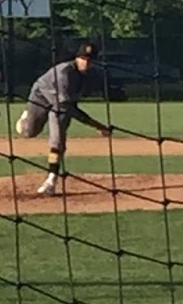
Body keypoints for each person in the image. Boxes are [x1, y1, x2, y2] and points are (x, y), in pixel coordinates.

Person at [15, 42, 112, 195]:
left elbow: (68, 106)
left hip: (61, 106)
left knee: (57, 140)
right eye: (83, 58)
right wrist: (97, 125)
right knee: (29, 132)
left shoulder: (89, 75)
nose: (86, 62)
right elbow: (70, 108)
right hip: (41, 96)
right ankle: (26, 117)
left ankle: (51, 180)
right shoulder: (64, 74)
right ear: (77, 58)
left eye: (89, 60)